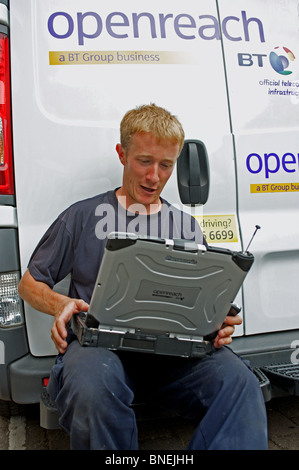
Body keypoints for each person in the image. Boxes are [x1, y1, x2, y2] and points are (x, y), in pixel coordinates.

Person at [18, 104, 268, 450]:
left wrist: (218, 321)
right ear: (122, 154)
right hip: (99, 351)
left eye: (166, 165)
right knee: (92, 388)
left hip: (175, 356)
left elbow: (208, 297)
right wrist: (61, 303)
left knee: (240, 382)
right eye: (145, 161)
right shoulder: (82, 215)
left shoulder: (186, 227)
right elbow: (29, 283)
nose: (154, 176)